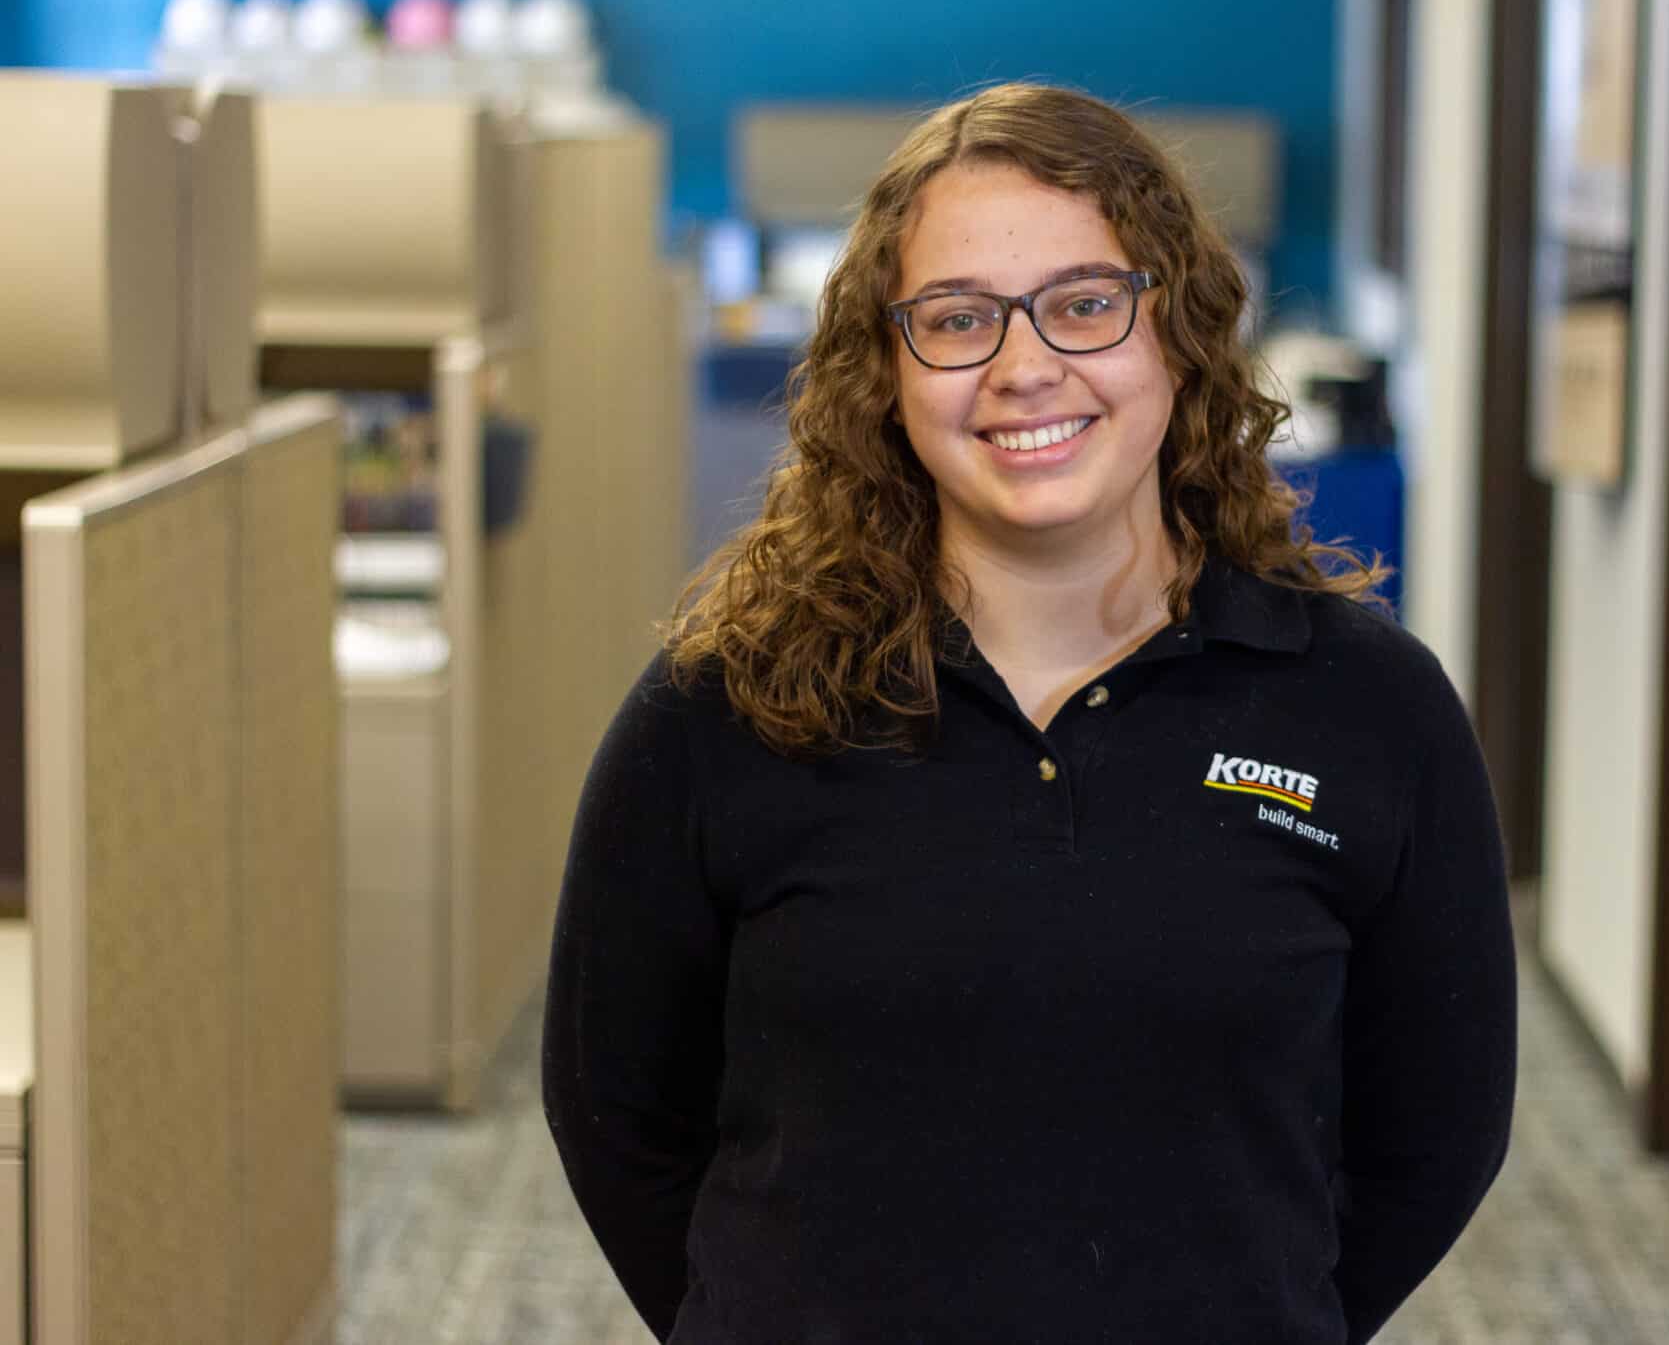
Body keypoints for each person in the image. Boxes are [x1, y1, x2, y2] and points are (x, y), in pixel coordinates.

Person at [542, 82, 1516, 1345]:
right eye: (956, 319)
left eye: (1083, 304)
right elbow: (615, 1112)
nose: (1022, 368)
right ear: (885, 371)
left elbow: (1433, 1136)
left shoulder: (1364, 706)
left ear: (1177, 330)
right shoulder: (727, 703)